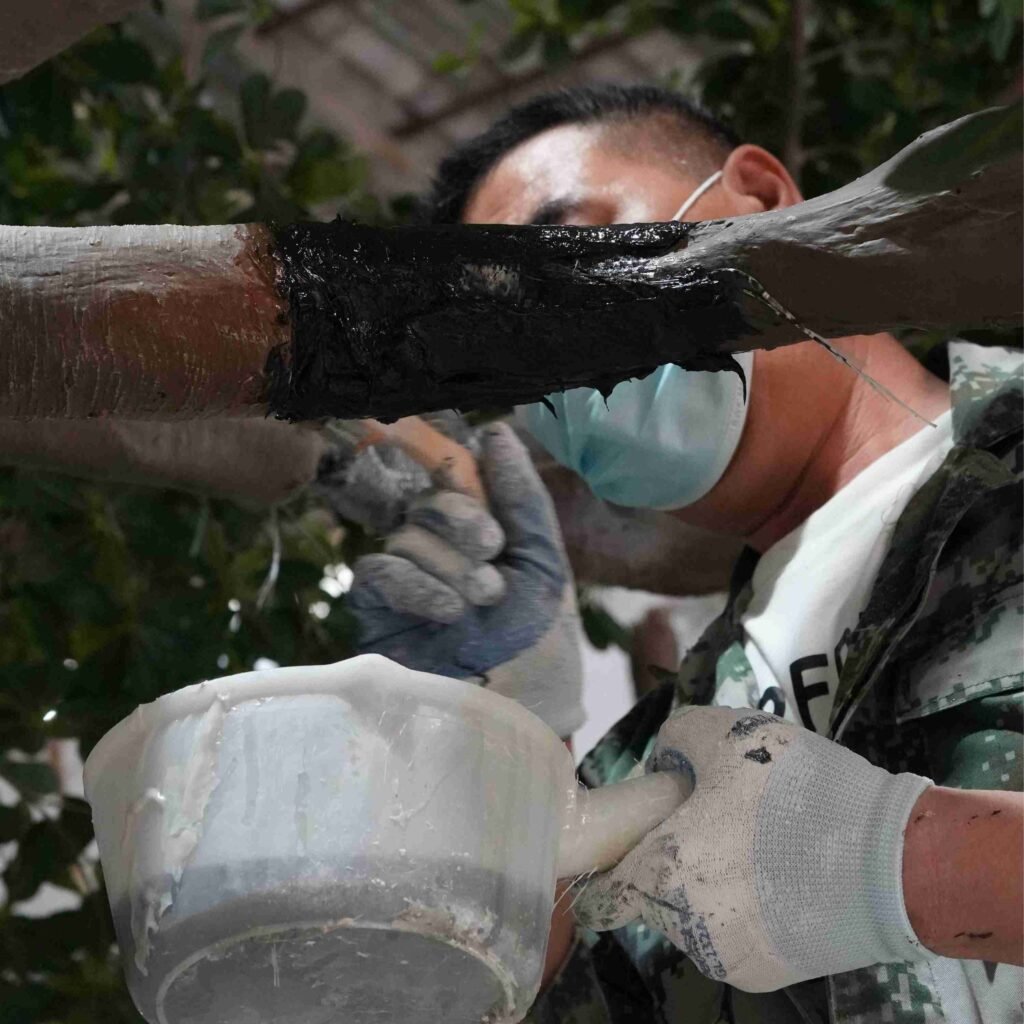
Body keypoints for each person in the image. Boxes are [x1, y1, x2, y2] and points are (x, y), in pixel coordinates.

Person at [346, 84, 1023, 1024]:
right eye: (507, 354)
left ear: (760, 199)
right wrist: (495, 757)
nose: (555, 357)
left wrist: (918, 868)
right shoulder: (662, 765)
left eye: (571, 248)